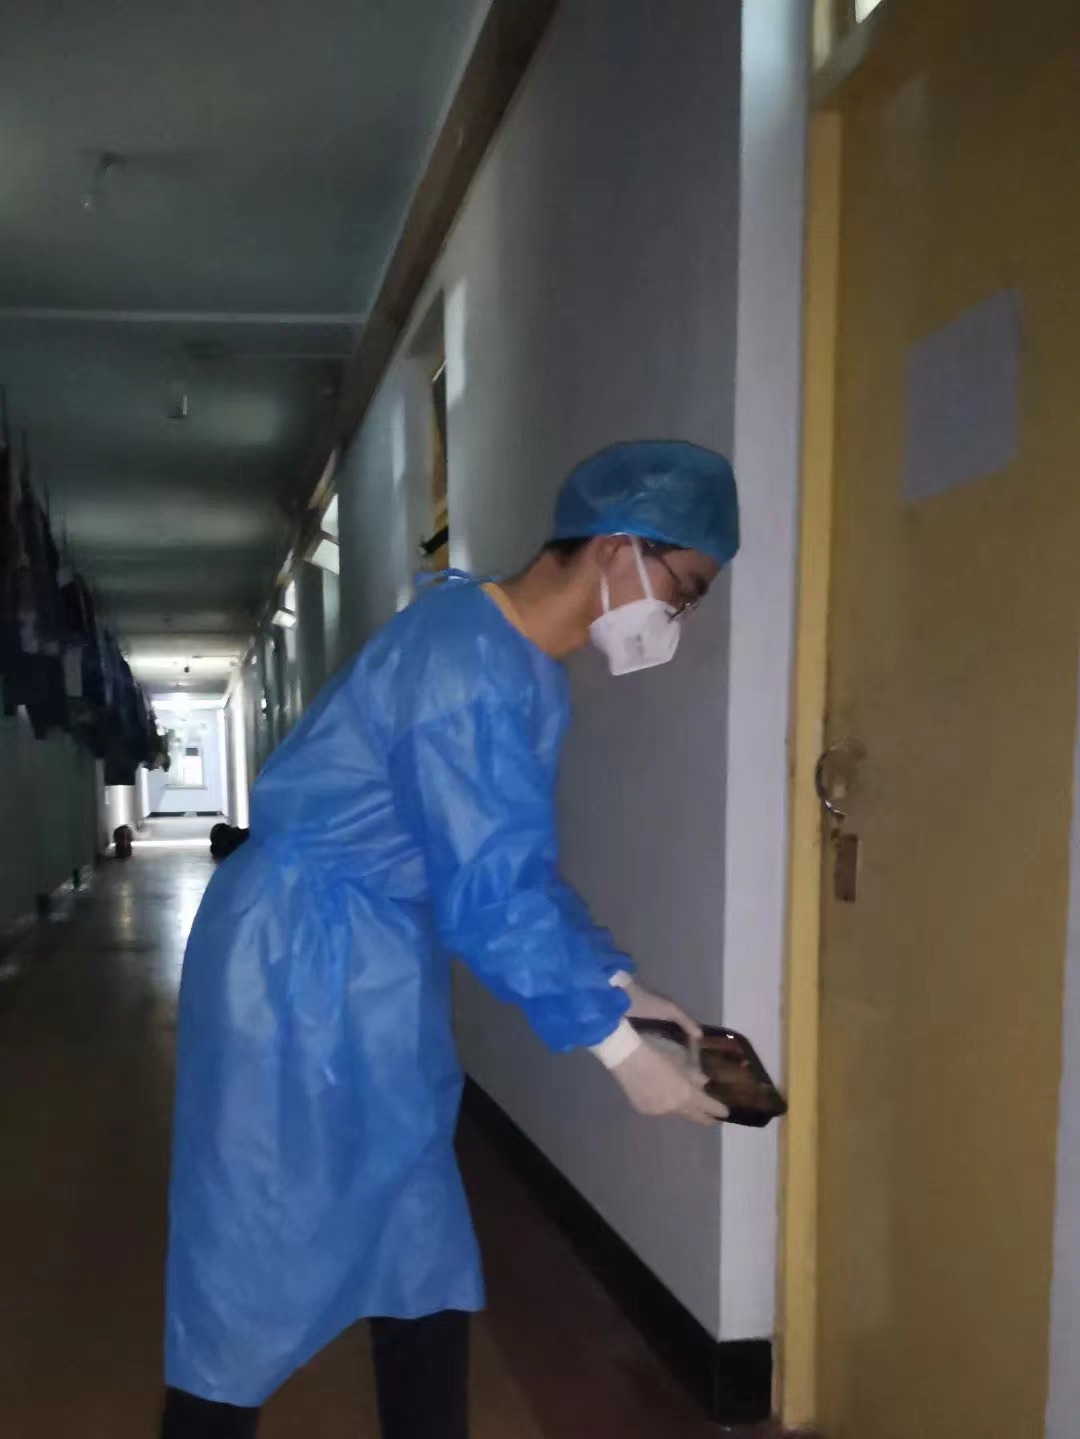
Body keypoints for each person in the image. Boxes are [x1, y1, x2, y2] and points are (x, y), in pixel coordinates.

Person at [162, 439, 740, 1438]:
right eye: (681, 592)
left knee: (415, 1233)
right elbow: (488, 894)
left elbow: (511, 867)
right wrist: (614, 1047)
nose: (676, 620)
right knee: (256, 1239)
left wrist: (621, 984)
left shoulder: (514, 662)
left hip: (373, 957)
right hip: (293, 960)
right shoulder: (466, 663)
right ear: (617, 549)